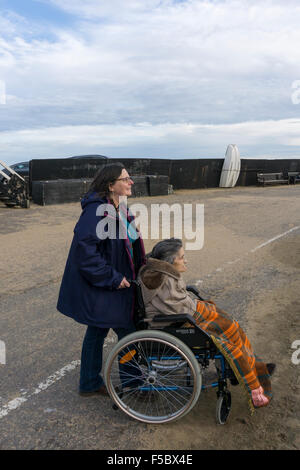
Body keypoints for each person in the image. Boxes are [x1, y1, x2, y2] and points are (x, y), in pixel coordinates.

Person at [138, 238, 276, 410]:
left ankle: (250, 366)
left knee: (230, 323)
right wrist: (202, 310)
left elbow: (181, 303)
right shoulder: (162, 280)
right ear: (171, 261)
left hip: (183, 316)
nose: (185, 260)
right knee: (227, 332)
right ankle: (252, 384)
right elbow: (180, 309)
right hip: (175, 325)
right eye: (182, 257)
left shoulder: (163, 275)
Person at [57, 163, 146, 396]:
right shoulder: (95, 211)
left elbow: (131, 242)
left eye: (129, 178)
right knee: (128, 331)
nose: (131, 182)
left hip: (116, 281)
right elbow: (84, 252)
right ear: (110, 184)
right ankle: (133, 385)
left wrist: (145, 264)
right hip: (107, 283)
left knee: (97, 330)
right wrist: (113, 278)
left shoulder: (119, 207)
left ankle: (88, 383)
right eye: (125, 179)